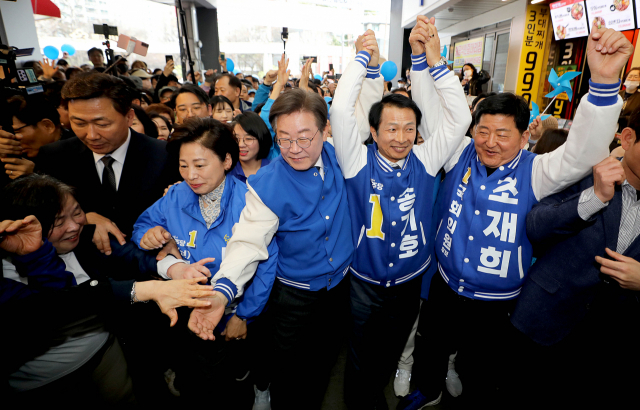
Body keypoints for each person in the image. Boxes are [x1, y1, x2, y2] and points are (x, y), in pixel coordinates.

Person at [398, 24, 631, 409]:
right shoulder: (460, 156)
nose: (490, 141)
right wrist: (421, 59)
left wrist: (604, 84)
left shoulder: (536, 171)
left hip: (497, 298)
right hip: (444, 283)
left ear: (524, 138)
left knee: (481, 364)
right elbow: (433, 118)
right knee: (432, 342)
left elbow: (583, 153)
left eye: (502, 134)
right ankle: (429, 388)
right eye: (483, 131)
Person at [188, 59, 353, 409]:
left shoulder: (343, 157)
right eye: (285, 139)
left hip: (340, 291)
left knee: (323, 366)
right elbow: (247, 241)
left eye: (305, 138)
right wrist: (221, 293)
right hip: (292, 300)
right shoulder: (266, 184)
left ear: (326, 132)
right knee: (291, 378)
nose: (294, 149)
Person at [331, 24, 470, 408]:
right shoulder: (355, 161)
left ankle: (374, 395)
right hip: (363, 282)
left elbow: (458, 120)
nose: (401, 136)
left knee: (391, 352)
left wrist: (434, 61)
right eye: (391, 128)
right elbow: (341, 109)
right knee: (359, 355)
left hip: (409, 282)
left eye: (409, 128)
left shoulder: (425, 161)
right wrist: (364, 60)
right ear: (373, 132)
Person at [1, 174, 215, 405]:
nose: (74, 226)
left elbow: (131, 256)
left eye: (77, 212)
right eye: (59, 222)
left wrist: (174, 268)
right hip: (39, 383)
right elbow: (54, 308)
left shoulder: (87, 238)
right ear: (26, 224)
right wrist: (147, 290)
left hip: (106, 356)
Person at [131, 117, 277, 406]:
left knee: (236, 376)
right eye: (183, 165)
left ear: (226, 160)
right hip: (190, 309)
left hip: (235, 311)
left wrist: (243, 315)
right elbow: (142, 226)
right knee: (201, 380)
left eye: (200, 165)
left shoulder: (251, 201)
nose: (191, 175)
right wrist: (150, 235)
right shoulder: (175, 195)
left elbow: (265, 265)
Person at [510, 110, 640, 408]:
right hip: (544, 321)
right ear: (629, 139)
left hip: (610, 344)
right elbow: (535, 226)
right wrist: (594, 198)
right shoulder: (586, 171)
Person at [34, 72, 179, 256]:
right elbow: (42, 215)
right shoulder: (55, 157)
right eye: (79, 123)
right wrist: (83, 217)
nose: (91, 134)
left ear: (129, 117)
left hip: (152, 263)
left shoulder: (166, 156)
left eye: (102, 124)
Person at [0, 95, 71, 182]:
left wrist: (36, 178)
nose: (12, 138)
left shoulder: (80, 151)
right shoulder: (20, 152)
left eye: (16, 132)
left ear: (47, 126)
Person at [227, 112, 272, 183]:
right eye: (236, 139)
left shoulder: (274, 170)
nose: (241, 144)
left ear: (261, 139)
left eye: (248, 139)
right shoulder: (226, 172)